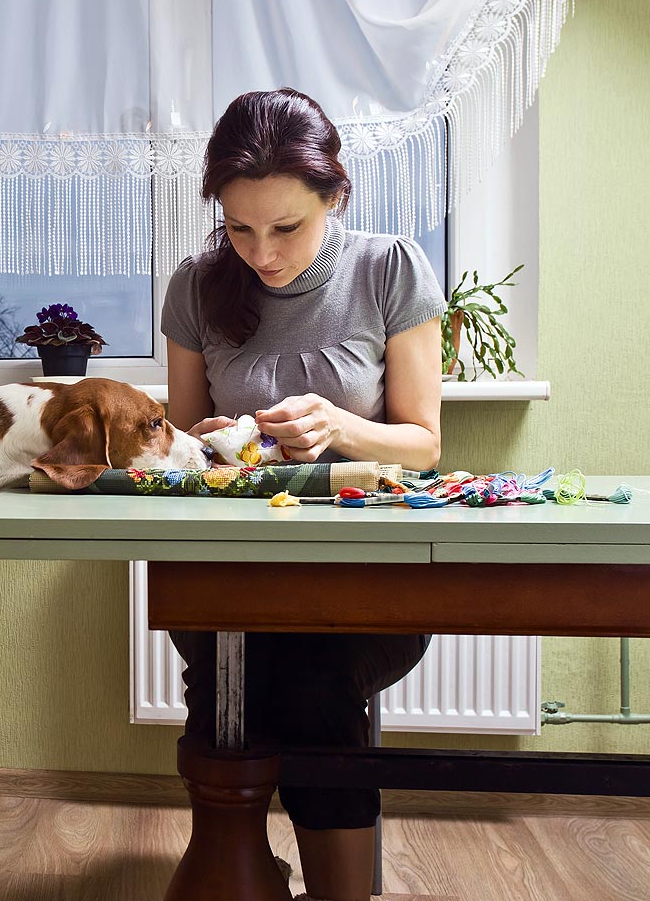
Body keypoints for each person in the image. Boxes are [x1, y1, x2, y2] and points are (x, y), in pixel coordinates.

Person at [161, 88, 445, 901]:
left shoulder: (388, 267)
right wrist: (213, 443)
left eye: (287, 227)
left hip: (368, 577)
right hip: (232, 572)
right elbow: (178, 454)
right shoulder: (196, 285)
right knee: (231, 662)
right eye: (240, 227)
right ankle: (243, 874)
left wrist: (341, 428)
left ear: (335, 195)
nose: (263, 253)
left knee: (298, 677)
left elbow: (424, 448)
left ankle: (313, 888)